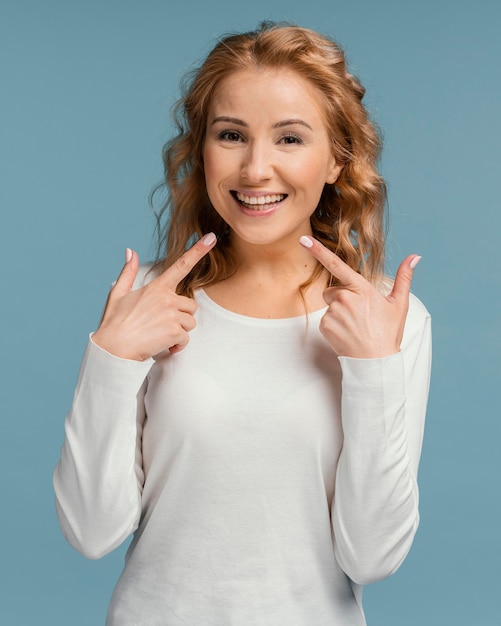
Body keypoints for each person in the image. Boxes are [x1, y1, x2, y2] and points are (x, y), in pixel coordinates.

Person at [53, 22, 431, 626]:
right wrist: (111, 358)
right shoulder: (150, 302)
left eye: (289, 139)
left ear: (336, 159)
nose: (256, 169)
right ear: (202, 149)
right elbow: (91, 532)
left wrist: (374, 371)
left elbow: (374, 555)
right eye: (231, 135)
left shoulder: (384, 317)